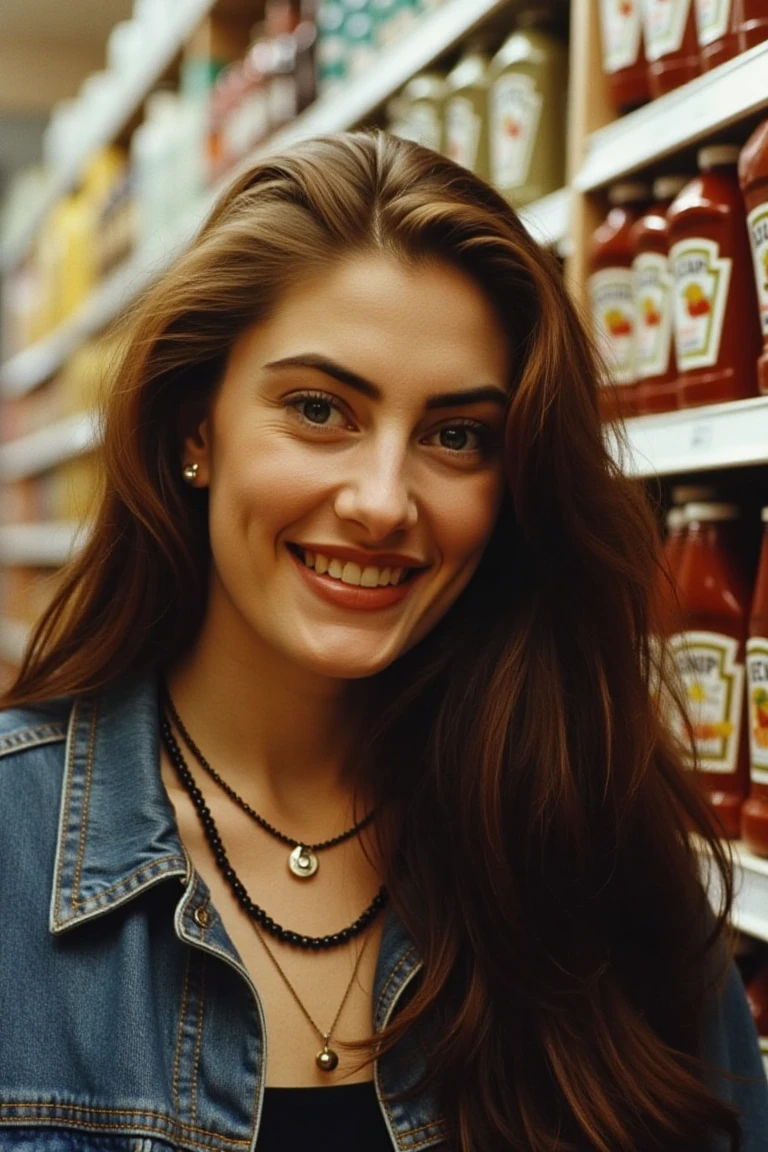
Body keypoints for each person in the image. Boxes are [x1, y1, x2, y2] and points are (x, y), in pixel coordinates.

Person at [0, 130, 765, 1152]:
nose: (381, 501)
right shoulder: (15, 852)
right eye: (320, 410)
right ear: (196, 429)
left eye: (457, 436)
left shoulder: (600, 855)